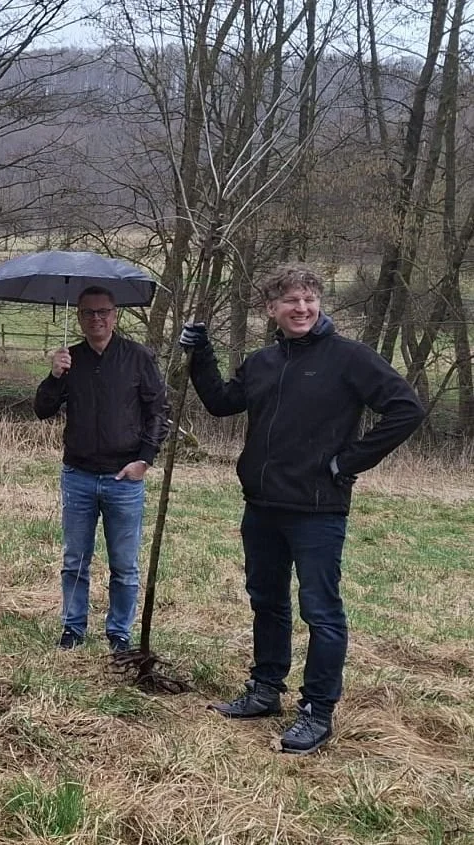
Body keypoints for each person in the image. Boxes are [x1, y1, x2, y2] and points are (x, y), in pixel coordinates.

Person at [180, 263, 424, 755]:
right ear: (272, 310)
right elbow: (222, 403)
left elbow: (406, 407)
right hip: (262, 506)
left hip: (317, 509)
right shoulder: (263, 361)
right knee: (266, 602)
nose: (302, 308)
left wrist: (347, 462)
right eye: (290, 301)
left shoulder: (349, 358)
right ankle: (266, 690)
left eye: (309, 299)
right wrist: (200, 354)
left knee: (321, 612)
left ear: (319, 304)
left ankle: (317, 711)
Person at [34, 285, 169, 653]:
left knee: (124, 565)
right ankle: (73, 628)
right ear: (78, 317)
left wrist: (144, 459)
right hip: (78, 475)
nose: (97, 318)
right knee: (75, 560)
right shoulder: (70, 360)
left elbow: (159, 411)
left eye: (103, 312)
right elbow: (42, 410)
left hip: (123, 477)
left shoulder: (138, 357)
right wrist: (54, 376)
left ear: (116, 315)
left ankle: (119, 633)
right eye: (89, 313)